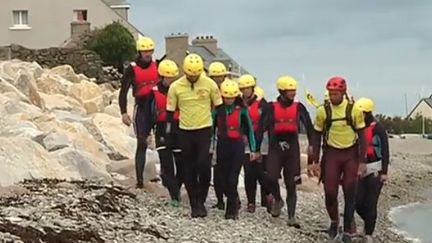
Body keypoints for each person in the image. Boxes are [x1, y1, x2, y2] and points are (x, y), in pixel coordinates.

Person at [166, 53, 223, 218]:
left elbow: (219, 109)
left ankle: (201, 199)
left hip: (205, 129)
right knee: (188, 168)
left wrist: (222, 129)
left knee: (204, 166)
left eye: (196, 75)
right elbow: (170, 113)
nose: (193, 77)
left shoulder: (209, 84)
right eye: (191, 75)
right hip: (185, 130)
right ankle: (194, 203)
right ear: (185, 72)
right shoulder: (176, 87)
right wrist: (168, 133)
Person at [311, 76, 367, 243]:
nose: (332, 96)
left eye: (335, 94)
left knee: (350, 192)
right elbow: (316, 135)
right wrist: (314, 160)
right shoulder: (323, 111)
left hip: (350, 155)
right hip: (331, 154)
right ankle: (335, 221)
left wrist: (362, 162)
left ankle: (348, 229)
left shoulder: (353, 110)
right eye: (330, 93)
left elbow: (362, 136)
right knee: (330, 193)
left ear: (343, 92)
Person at [258, 76, 314, 227]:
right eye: (290, 91)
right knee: (270, 177)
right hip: (275, 147)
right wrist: (256, 149)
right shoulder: (271, 108)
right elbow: (260, 129)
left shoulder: (299, 107)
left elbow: (309, 126)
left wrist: (312, 144)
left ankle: (291, 217)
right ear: (282, 91)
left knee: (291, 183)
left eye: (294, 91)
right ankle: (278, 198)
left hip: (292, 150)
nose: (293, 93)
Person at [212, 79, 258, 219]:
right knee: (223, 179)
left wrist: (253, 149)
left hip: (237, 145)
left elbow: (249, 129)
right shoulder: (217, 110)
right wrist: (210, 148)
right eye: (227, 98)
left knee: (233, 179)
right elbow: (211, 129)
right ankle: (233, 201)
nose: (229, 100)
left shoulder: (242, 110)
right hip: (222, 145)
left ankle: (231, 210)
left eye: (232, 97)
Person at [119, 36, 159, 188]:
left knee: (163, 143)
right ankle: (140, 181)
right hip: (141, 108)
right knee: (141, 142)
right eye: (145, 51)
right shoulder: (132, 68)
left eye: (150, 51)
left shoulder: (158, 65)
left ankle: (166, 178)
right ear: (140, 52)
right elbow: (123, 91)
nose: (148, 54)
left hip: (156, 107)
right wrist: (123, 112)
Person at [354, 97, 389, 243]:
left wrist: (384, 172)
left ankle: (368, 234)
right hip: (360, 168)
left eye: (361, 113)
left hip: (376, 168)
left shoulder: (378, 128)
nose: (359, 115)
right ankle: (369, 221)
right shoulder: (355, 127)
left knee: (371, 202)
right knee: (357, 202)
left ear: (368, 113)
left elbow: (385, 150)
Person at [148, 59, 182, 207]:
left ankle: (176, 189)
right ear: (161, 76)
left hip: (178, 128)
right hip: (162, 129)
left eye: (173, 78)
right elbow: (148, 114)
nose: (171, 81)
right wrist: (148, 131)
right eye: (168, 78)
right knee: (167, 165)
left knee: (182, 166)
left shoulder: (180, 90)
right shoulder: (153, 93)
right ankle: (174, 196)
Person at [238, 74, 270, 213]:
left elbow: (268, 122)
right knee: (249, 172)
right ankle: (251, 202)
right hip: (245, 141)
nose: (245, 91)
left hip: (262, 140)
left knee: (262, 172)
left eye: (248, 88)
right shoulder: (238, 104)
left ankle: (266, 199)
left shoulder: (262, 104)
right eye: (243, 89)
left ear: (252, 89)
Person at [208, 61, 228, 210]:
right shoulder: (207, 89)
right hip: (210, 130)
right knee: (216, 168)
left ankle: (229, 196)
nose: (217, 80)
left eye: (220, 77)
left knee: (225, 168)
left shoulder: (229, 90)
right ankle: (220, 200)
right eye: (215, 77)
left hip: (225, 132)